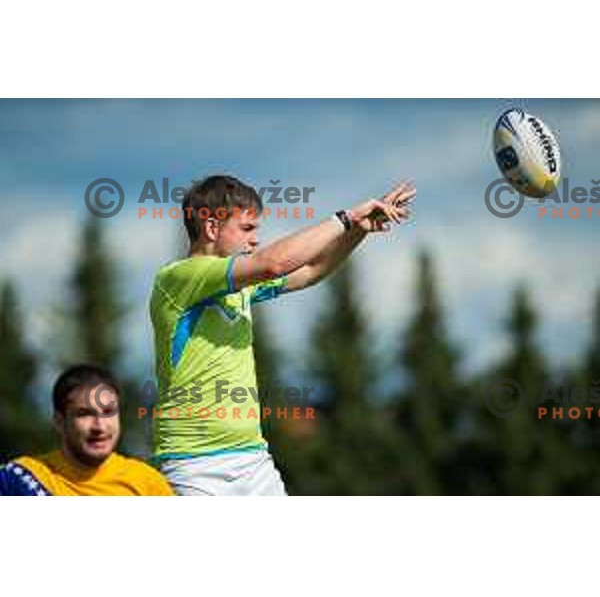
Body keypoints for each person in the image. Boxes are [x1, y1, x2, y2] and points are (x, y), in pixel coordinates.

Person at [150, 175, 415, 495]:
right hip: (194, 466)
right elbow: (273, 264)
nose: (255, 240)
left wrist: (359, 229)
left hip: (253, 459)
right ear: (210, 228)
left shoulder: (240, 285)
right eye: (247, 229)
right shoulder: (178, 277)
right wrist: (345, 218)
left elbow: (312, 270)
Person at [0, 363, 174, 496]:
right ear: (59, 422)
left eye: (108, 412)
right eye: (85, 414)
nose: (99, 426)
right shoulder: (19, 480)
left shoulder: (147, 484)